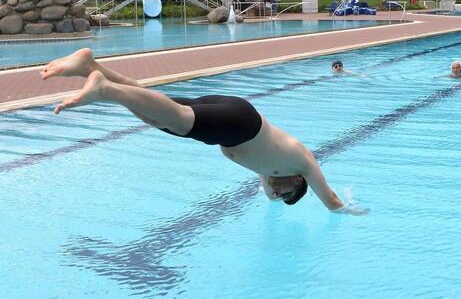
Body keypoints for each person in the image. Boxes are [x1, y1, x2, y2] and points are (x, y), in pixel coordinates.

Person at [40, 49, 368, 215]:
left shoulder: (270, 174)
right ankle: (104, 90)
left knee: (156, 114)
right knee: (179, 119)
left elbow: (269, 197)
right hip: (242, 124)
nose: (276, 193)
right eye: (286, 194)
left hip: (233, 119)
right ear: (298, 183)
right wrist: (349, 210)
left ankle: (90, 67)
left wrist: (275, 197)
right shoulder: (302, 162)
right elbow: (332, 200)